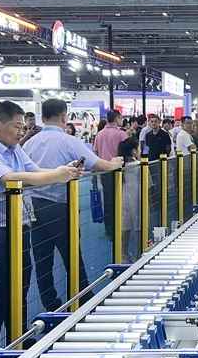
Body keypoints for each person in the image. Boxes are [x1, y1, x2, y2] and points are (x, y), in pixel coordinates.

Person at [0, 100, 82, 346]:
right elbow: (10, 178)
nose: (22, 131)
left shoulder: (14, 149)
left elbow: (35, 171)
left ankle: (17, 343)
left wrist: (63, 171)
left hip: (19, 228)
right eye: (17, 126)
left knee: (19, 290)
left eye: (23, 127)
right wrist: (56, 175)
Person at [23, 99, 122, 310]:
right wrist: (115, 164)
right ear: (64, 116)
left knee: (42, 260)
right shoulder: (68, 141)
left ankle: (51, 305)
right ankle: (83, 300)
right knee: (72, 256)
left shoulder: (30, 143)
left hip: (34, 207)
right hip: (61, 206)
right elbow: (97, 164)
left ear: (43, 117)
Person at [93, 110, 128, 238]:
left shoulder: (99, 134)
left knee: (108, 200)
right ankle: (120, 227)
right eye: (121, 118)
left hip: (104, 172)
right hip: (119, 171)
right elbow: (128, 152)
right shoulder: (122, 134)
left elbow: (95, 152)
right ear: (117, 118)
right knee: (121, 200)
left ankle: (109, 229)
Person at [117, 137, 142, 263]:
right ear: (134, 151)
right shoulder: (140, 165)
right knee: (139, 225)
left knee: (125, 226)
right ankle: (139, 254)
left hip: (123, 197)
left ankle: (123, 254)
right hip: (138, 197)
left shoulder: (121, 166)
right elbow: (149, 184)